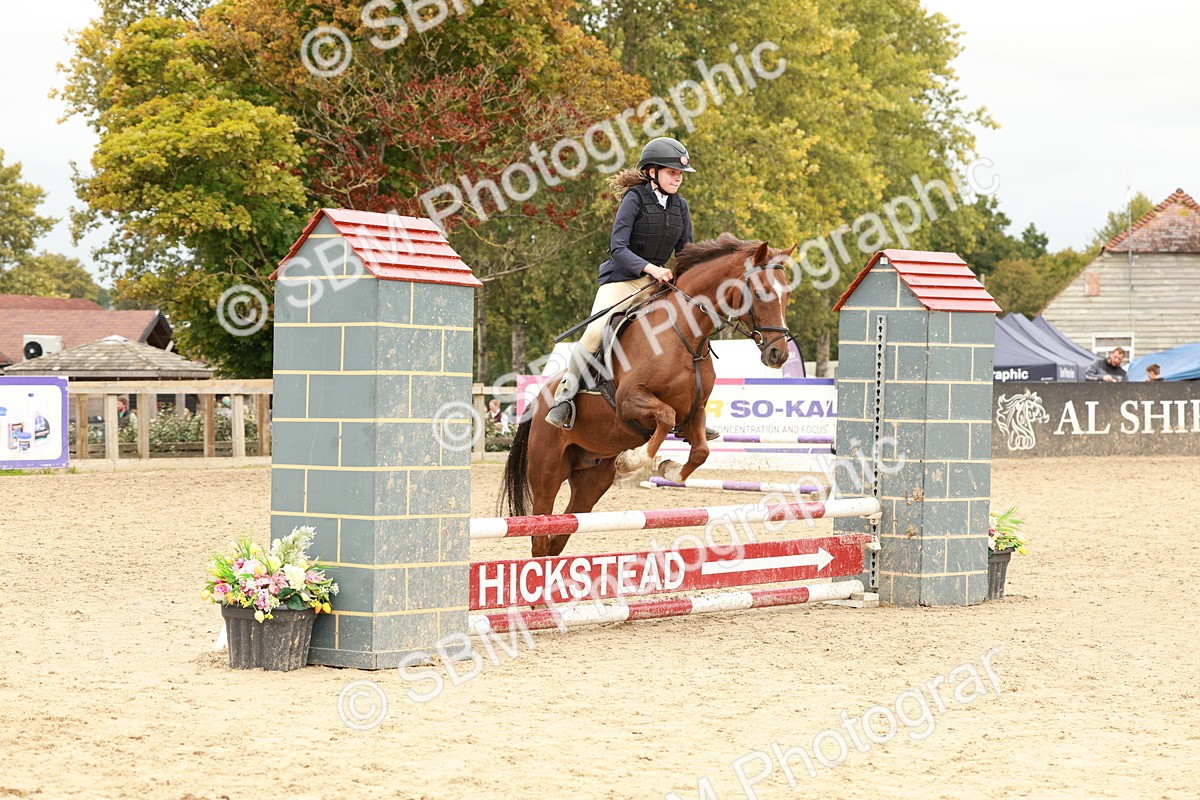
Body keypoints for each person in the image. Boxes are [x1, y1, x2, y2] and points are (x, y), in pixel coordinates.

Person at [546, 137, 715, 439]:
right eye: (671, 172)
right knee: (596, 331)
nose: (678, 178)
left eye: (680, 174)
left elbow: (685, 252)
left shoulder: (681, 206)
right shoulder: (634, 198)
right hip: (623, 280)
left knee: (688, 326)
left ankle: (692, 413)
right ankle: (565, 396)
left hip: (658, 283)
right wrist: (651, 269)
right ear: (652, 172)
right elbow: (618, 248)